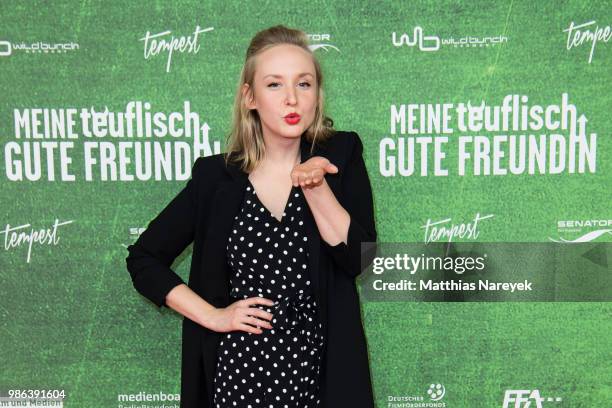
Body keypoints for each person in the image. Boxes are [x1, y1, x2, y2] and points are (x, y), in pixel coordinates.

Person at [126, 25, 377, 408]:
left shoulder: (341, 156)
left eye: (304, 84)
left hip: (321, 376)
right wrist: (213, 316)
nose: (292, 99)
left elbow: (360, 259)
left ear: (317, 94)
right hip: (238, 376)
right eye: (274, 85)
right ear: (250, 97)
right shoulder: (214, 178)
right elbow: (144, 259)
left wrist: (315, 186)